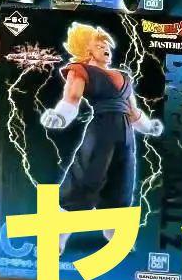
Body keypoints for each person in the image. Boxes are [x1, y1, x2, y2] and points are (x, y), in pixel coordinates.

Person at [40, 23, 162, 253]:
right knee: (84, 179)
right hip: (100, 132)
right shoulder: (81, 70)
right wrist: (60, 116)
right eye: (99, 45)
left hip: (126, 138)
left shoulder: (124, 77)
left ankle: (114, 235)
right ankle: (57, 236)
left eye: (107, 45)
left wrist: (148, 127)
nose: (106, 48)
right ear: (87, 49)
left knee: (122, 183)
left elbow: (132, 111)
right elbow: (72, 99)